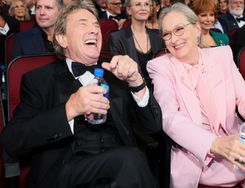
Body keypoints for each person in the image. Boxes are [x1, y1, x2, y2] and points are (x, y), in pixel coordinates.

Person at [0, 1, 162, 188]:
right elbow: (12, 140)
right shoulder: (39, 80)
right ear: (62, 38)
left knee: (131, 160)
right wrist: (69, 109)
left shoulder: (116, 73)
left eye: (96, 26)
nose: (94, 30)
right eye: (83, 24)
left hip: (121, 172)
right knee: (131, 159)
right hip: (65, 172)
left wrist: (137, 83)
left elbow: (153, 127)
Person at [147, 3, 245, 188]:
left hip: (238, 145)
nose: (173, 39)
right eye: (167, 34)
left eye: (179, 29)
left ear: (196, 29)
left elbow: (244, 96)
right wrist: (215, 144)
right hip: (201, 159)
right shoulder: (160, 67)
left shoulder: (222, 55)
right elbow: (170, 118)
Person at [109, 0, 164, 88]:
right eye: (138, 4)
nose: (143, 8)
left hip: (158, 90)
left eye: (146, 4)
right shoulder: (117, 38)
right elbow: (118, 75)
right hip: (132, 92)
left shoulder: (158, 36)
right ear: (129, 10)